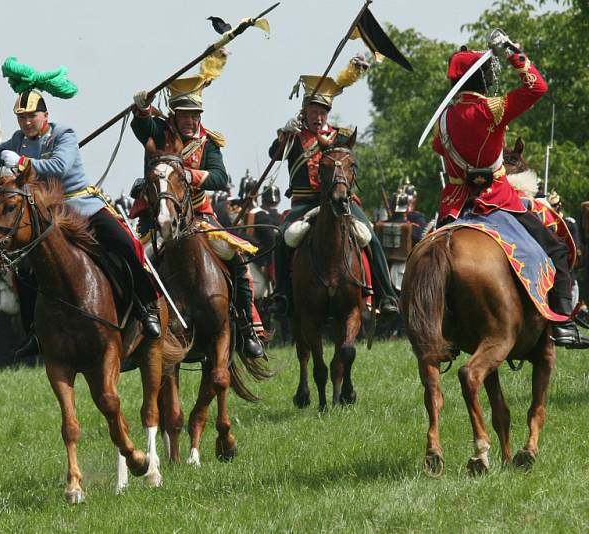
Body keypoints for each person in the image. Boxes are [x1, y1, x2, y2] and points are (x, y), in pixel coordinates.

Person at [0, 60, 161, 353]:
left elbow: (59, 167)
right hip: (49, 215)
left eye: (31, 116)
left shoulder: (64, 134)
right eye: (21, 117)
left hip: (82, 205)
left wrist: (23, 163)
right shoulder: (19, 141)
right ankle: (34, 331)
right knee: (22, 269)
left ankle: (145, 306)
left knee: (124, 245)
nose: (26, 122)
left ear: (45, 115)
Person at [431, 31, 588, 348]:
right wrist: (516, 55)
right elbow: (537, 87)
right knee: (556, 250)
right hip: (497, 201)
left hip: (455, 205)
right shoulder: (493, 109)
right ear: (480, 79)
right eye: (488, 72)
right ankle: (563, 325)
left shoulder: (443, 120)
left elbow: (439, 148)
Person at [128, 71, 266, 358]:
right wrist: (141, 108)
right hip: (160, 218)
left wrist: (190, 176)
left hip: (199, 216)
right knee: (135, 262)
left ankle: (248, 325)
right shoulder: (159, 130)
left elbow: (220, 177)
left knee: (236, 260)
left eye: (195, 115)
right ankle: (137, 324)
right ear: (174, 115)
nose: (190, 121)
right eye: (185, 115)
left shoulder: (208, 143)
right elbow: (141, 128)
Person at [268, 56, 400, 317]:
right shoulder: (293, 136)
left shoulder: (340, 136)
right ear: (304, 111)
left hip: (341, 202)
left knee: (369, 236)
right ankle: (281, 294)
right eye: (313, 111)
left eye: (322, 112)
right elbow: (275, 154)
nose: (318, 117)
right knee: (282, 237)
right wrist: (284, 134)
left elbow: (351, 167)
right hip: (305, 203)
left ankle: (387, 295)